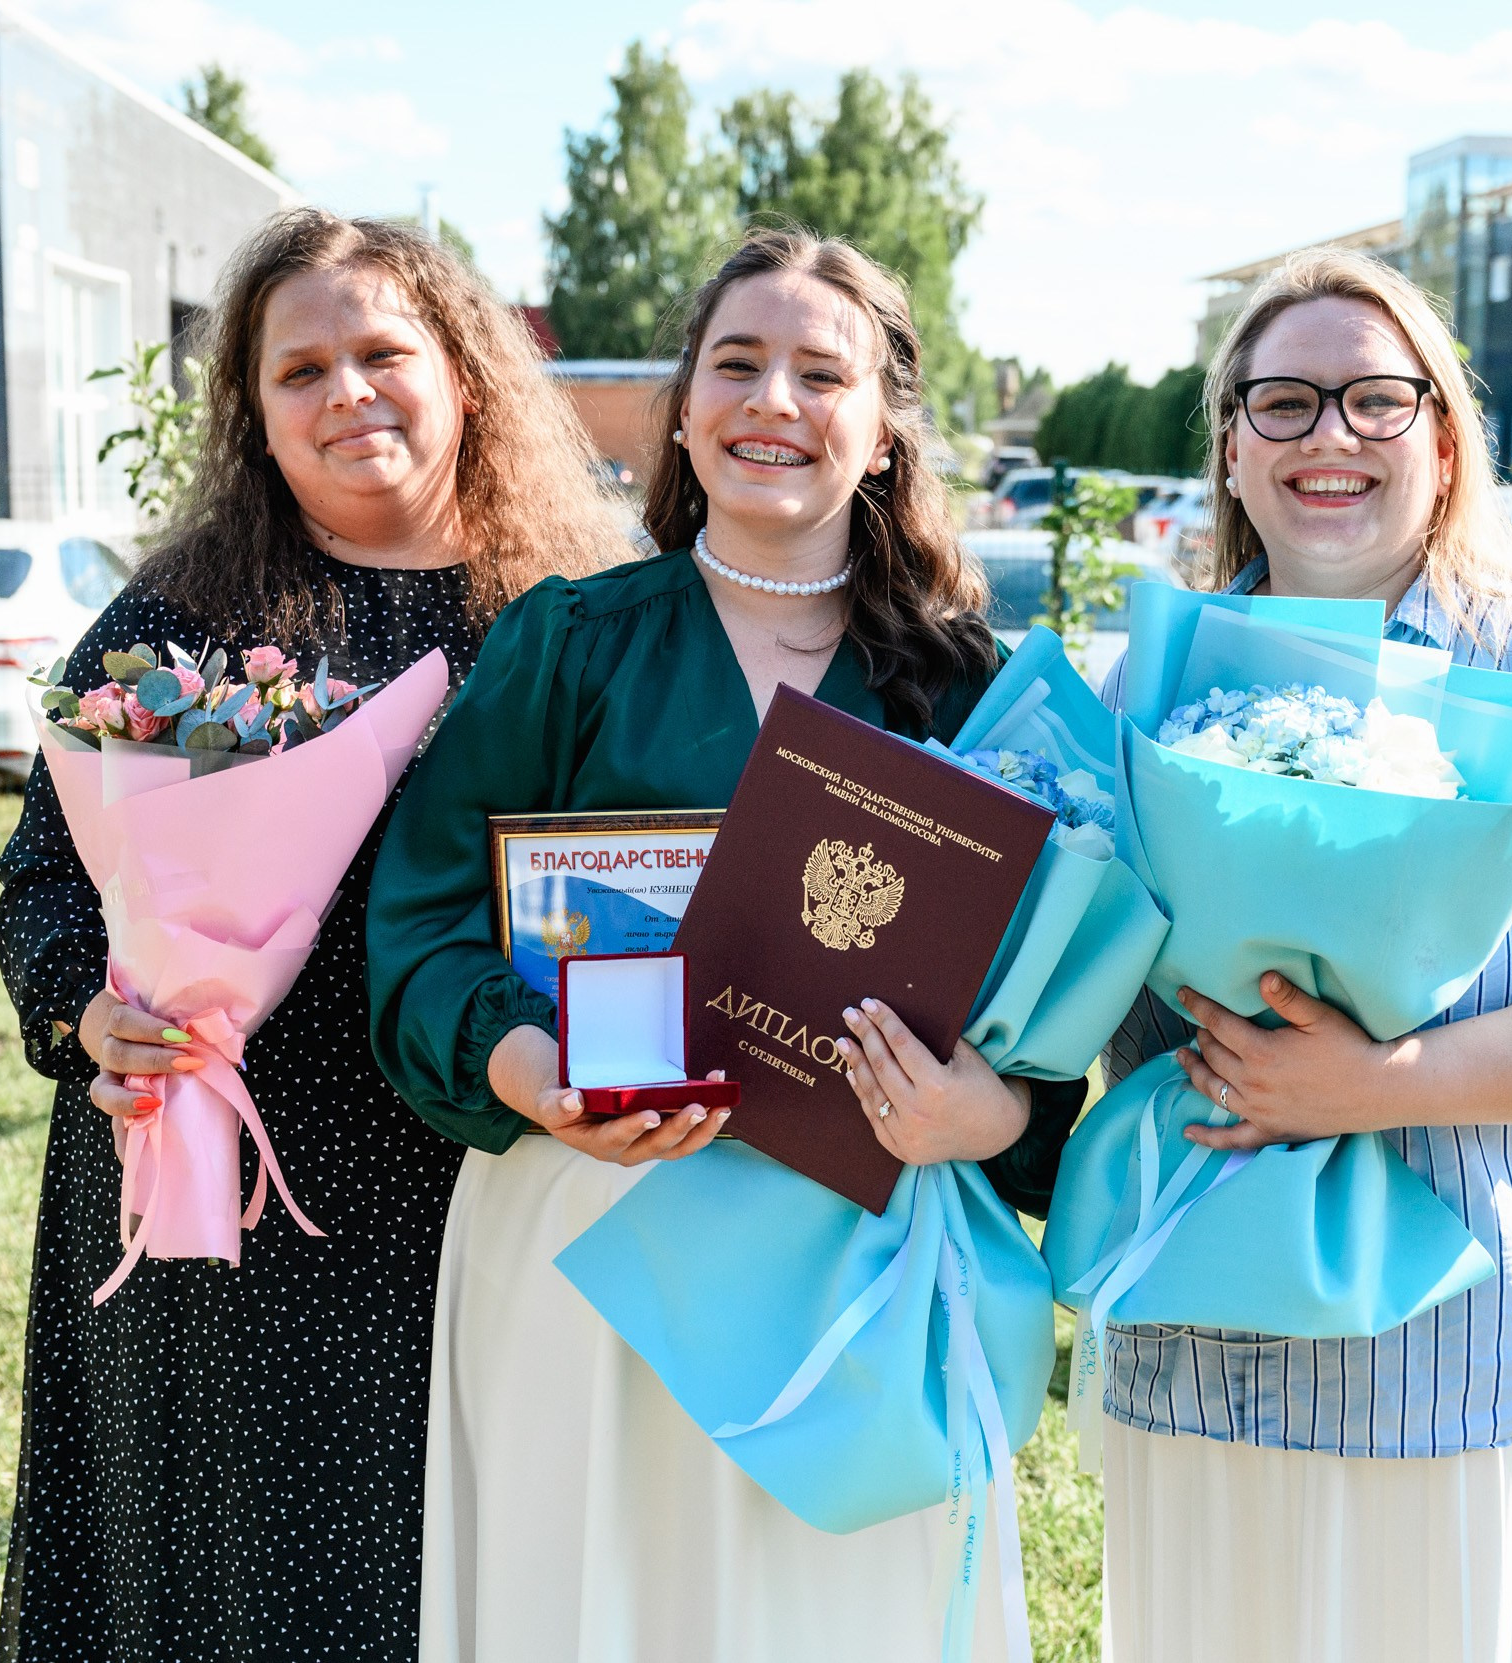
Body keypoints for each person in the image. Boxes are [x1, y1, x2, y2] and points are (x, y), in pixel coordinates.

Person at [365, 227, 1082, 1662]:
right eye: (737, 363)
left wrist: (989, 1112)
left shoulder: (971, 692)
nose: (775, 401)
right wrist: (526, 1070)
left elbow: (1050, 1006)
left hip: (867, 1262)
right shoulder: (568, 646)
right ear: (683, 409)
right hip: (595, 1227)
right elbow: (421, 929)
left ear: (882, 434)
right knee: (604, 1608)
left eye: (825, 373)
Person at [1094, 247, 1512, 1663]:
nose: (1327, 433)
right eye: (1281, 401)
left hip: (1484, 1358)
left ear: (1445, 442)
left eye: (1374, 399)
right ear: (1229, 446)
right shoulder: (1148, 683)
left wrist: (1376, 1084)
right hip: (1208, 1333)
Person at [0, 208, 627, 1663]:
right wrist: (88, 1017)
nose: (349, 391)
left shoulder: (573, 616)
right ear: (255, 414)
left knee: (451, 1569)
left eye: (383, 351)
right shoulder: (181, 621)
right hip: (219, 1199)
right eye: (302, 369)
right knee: (216, 1581)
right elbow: (42, 877)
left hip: (473, 1174)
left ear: (465, 372)